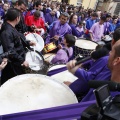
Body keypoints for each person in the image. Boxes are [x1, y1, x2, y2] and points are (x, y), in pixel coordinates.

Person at [64, 28, 120, 102]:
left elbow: (87, 81)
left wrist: (71, 87)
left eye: (111, 51)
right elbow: (91, 80)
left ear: (117, 60)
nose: (109, 53)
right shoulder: (109, 67)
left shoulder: (105, 60)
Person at [0, 8, 35, 85]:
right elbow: (10, 51)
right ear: (17, 18)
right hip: (12, 65)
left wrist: (28, 43)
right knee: (11, 83)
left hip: (16, 61)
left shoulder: (11, 27)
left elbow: (16, 39)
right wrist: (22, 60)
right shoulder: (6, 31)